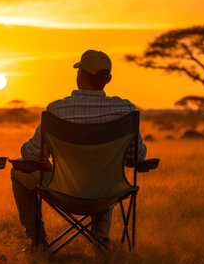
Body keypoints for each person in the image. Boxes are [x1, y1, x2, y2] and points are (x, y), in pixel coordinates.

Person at [11, 49, 147, 250]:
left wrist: (50, 168)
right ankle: (101, 240)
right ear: (108, 79)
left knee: (17, 172)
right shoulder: (126, 110)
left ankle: (38, 242)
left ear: (80, 75)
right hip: (108, 193)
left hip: (63, 191)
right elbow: (138, 156)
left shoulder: (56, 111)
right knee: (104, 173)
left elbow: (30, 154)